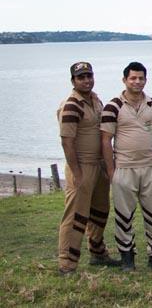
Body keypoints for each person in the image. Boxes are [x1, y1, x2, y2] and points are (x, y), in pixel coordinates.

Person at [100, 62, 152, 271]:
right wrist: (111, 170)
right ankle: (127, 258)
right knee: (124, 216)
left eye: (141, 78)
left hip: (151, 167)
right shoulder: (113, 106)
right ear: (124, 80)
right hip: (124, 168)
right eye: (133, 78)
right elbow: (106, 139)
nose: (137, 82)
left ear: (145, 80)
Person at [56, 62, 121, 275]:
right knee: (76, 215)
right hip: (82, 166)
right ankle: (67, 262)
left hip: (99, 164)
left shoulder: (95, 100)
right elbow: (67, 141)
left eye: (89, 76)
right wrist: (77, 173)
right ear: (73, 81)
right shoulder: (71, 104)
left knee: (100, 211)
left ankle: (97, 252)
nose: (86, 80)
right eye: (81, 77)